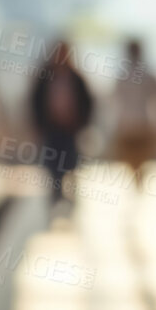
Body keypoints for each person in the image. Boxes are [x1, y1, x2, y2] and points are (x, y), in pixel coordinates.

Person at [30, 41, 93, 206]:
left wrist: (82, 123)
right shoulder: (44, 77)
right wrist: (40, 125)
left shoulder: (76, 77)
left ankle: (71, 200)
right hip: (52, 129)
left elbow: (88, 103)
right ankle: (56, 199)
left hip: (71, 129)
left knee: (71, 163)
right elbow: (34, 102)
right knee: (53, 167)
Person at [110, 39, 156, 185]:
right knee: (136, 157)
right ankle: (137, 177)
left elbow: (115, 97)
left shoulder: (126, 74)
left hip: (132, 123)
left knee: (136, 157)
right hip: (139, 122)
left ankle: (136, 177)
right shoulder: (144, 73)